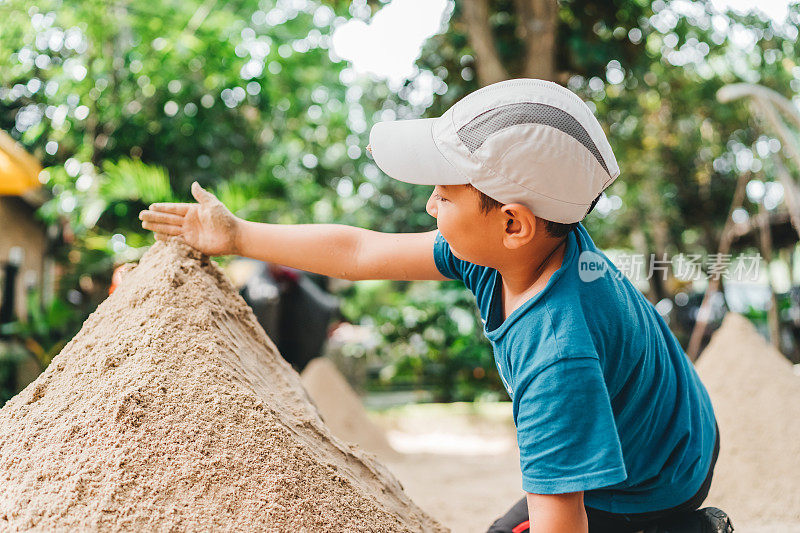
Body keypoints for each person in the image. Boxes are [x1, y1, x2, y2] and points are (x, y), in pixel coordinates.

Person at [139, 79, 732, 533]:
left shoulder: (556, 353)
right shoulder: (518, 248)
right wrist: (238, 235)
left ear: (513, 222)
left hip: (652, 484)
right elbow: (359, 248)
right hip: (676, 431)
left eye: (444, 195)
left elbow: (562, 517)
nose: (428, 207)